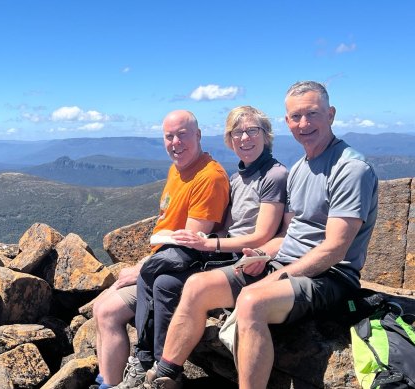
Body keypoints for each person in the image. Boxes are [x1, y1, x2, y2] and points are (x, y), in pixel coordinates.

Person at [145, 81, 379, 389]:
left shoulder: (350, 169)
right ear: (287, 122)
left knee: (252, 301)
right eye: (296, 117)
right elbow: (289, 234)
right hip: (283, 263)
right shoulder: (299, 169)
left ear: (331, 115)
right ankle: (164, 374)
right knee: (197, 285)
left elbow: (334, 249)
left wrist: (277, 277)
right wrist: (264, 255)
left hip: (331, 277)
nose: (304, 123)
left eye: (313, 114)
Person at [125, 106, 288, 389]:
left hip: (246, 258)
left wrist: (207, 244)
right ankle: (156, 368)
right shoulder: (238, 178)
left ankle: (149, 363)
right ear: (229, 139)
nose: (245, 138)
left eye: (252, 131)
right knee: (163, 281)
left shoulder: (273, 176)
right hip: (224, 252)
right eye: (237, 132)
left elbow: (262, 235)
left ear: (266, 135)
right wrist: (208, 242)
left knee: (154, 269)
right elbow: (227, 226)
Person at [91, 110, 230, 389]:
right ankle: (108, 382)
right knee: (100, 307)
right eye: (169, 136)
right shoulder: (176, 169)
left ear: (198, 135)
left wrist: (142, 268)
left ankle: (131, 375)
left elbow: (190, 244)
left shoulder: (209, 177)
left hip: (183, 270)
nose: (175, 143)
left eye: (182, 135)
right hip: (161, 261)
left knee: (107, 312)